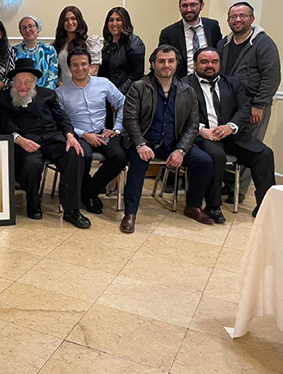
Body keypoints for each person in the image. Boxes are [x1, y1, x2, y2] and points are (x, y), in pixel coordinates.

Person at [119, 45, 214, 234]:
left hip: (174, 144)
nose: (166, 65)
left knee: (204, 161)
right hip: (145, 143)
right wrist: (140, 144)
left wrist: (181, 150)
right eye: (161, 61)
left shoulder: (187, 91)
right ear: (152, 64)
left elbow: (192, 125)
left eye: (171, 61)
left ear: (177, 63)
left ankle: (193, 206)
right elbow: (129, 119)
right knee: (138, 163)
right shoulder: (138, 87)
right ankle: (130, 213)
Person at [0, 58, 90, 228]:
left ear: (34, 82)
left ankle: (72, 210)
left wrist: (69, 134)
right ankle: (33, 204)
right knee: (31, 164)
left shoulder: (48, 94)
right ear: (13, 82)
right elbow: (4, 123)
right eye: (18, 82)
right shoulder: (3, 98)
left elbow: (61, 117)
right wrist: (19, 139)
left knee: (75, 155)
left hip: (52, 138)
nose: (22, 86)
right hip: (25, 141)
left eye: (27, 82)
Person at [187, 47, 275, 220]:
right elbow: (180, 114)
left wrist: (231, 126)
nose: (210, 65)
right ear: (195, 64)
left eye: (214, 62)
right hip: (202, 136)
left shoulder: (233, 83)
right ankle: (213, 207)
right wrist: (201, 130)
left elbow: (244, 109)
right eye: (204, 62)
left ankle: (265, 206)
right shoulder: (185, 84)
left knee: (264, 154)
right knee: (216, 156)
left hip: (230, 134)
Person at [217, 1, 281, 203]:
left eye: (243, 15)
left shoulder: (263, 44)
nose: (237, 19)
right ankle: (228, 184)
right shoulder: (224, 44)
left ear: (251, 19)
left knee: (250, 149)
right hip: (229, 108)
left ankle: (239, 191)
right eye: (233, 16)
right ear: (228, 20)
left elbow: (271, 77)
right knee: (231, 146)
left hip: (254, 108)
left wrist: (259, 105)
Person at [56, 48, 127, 215]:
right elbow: (61, 121)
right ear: (69, 67)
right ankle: (89, 196)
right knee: (82, 156)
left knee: (120, 156)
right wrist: (83, 134)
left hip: (103, 132)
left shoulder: (104, 84)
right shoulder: (61, 93)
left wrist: (117, 129)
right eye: (75, 65)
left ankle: (88, 192)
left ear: (90, 65)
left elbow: (124, 104)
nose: (80, 68)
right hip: (78, 135)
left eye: (83, 64)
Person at [158, 0, 223, 78]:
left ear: (202, 5)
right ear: (179, 7)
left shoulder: (212, 26)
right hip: (181, 81)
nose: (189, 9)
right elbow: (163, 60)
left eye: (193, 5)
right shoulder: (168, 33)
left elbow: (219, 53)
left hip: (209, 79)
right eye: (184, 6)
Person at [99, 7, 145, 95]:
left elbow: (137, 73)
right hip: (109, 93)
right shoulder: (108, 44)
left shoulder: (134, 42)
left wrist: (118, 93)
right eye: (111, 20)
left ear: (125, 22)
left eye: (118, 20)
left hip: (127, 95)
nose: (114, 23)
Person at [52, 5, 102, 83]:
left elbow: (94, 70)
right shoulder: (58, 44)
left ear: (79, 20)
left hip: (85, 86)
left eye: (73, 18)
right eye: (66, 20)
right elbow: (55, 70)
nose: (70, 22)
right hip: (64, 87)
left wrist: (75, 86)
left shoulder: (90, 42)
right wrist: (61, 85)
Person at [12, 16, 58, 90]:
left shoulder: (49, 50)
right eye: (24, 28)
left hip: (45, 93)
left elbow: (52, 77)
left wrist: (44, 94)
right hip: (21, 92)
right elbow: (12, 77)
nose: (27, 30)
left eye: (30, 26)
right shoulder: (14, 51)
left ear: (38, 28)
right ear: (21, 32)